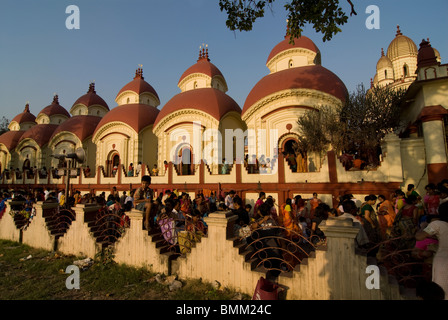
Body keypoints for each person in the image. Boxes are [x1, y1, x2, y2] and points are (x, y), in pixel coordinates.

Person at [416, 201, 448, 300]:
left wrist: (423, 227)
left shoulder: (438, 224)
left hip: (443, 261)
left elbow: (419, 237)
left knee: (441, 289)